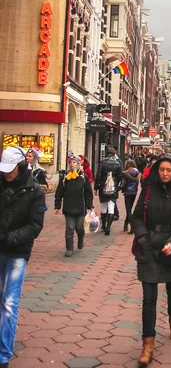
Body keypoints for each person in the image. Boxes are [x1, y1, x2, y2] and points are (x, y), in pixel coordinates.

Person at [131, 155, 171, 366]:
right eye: (162, 170)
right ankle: (147, 344)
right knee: (149, 297)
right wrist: (142, 237)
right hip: (148, 247)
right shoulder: (148, 190)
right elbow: (137, 216)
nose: (165, 174)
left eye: (169, 170)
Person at [0, 147, 45, 367]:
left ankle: (3, 353)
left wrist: (9, 238)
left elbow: (35, 225)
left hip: (17, 252)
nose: (7, 173)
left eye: (11, 169)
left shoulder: (33, 190)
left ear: (20, 167)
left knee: (9, 302)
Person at [54, 155, 93, 257]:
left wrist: (89, 205)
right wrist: (57, 205)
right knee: (70, 228)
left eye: (74, 162)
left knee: (79, 227)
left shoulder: (83, 177)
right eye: (70, 162)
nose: (72, 164)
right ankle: (69, 248)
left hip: (81, 207)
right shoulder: (65, 178)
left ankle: (81, 237)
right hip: (68, 207)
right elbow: (59, 192)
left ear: (78, 164)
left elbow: (88, 192)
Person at [94, 146, 122, 235]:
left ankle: (103, 226)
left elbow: (98, 175)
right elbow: (120, 176)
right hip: (113, 188)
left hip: (103, 187)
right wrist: (116, 183)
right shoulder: (117, 164)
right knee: (111, 206)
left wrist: (96, 187)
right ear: (114, 154)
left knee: (103, 206)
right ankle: (108, 228)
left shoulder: (103, 163)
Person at [120, 159, 140, 234]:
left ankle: (133, 227)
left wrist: (117, 189)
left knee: (128, 211)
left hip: (127, 193)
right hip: (134, 193)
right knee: (130, 209)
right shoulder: (137, 172)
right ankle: (125, 225)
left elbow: (123, 184)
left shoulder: (126, 173)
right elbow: (137, 183)